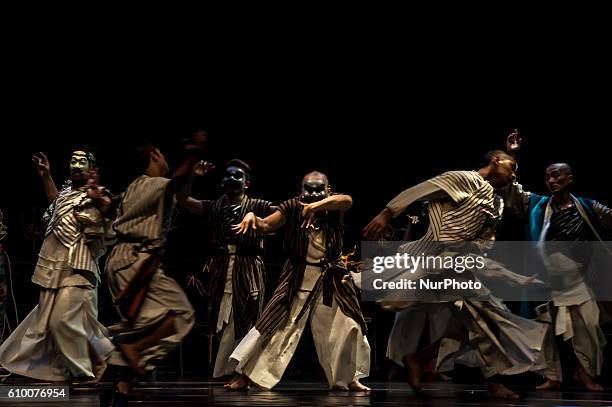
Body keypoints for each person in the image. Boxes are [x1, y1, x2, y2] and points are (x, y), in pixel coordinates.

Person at [226, 171, 371, 392]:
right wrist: (252, 217)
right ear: (301, 190)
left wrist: (314, 208)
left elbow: (347, 200)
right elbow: (266, 225)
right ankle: (245, 375)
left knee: (347, 327)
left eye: (319, 189)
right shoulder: (291, 207)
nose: (313, 193)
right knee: (274, 326)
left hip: (330, 281)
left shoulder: (334, 208)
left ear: (328, 190)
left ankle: (348, 378)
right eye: (308, 189)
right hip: (297, 278)